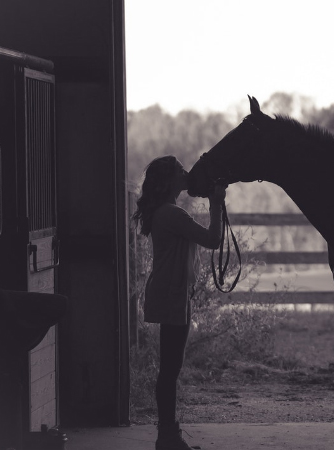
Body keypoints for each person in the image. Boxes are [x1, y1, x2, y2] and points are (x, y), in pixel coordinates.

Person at [131, 155, 226, 450]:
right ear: (170, 180)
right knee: (171, 369)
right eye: (181, 171)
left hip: (172, 292)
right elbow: (213, 239)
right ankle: (168, 437)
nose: (186, 174)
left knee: (170, 367)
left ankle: (168, 435)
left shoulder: (165, 212)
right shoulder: (172, 214)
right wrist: (216, 202)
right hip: (172, 294)